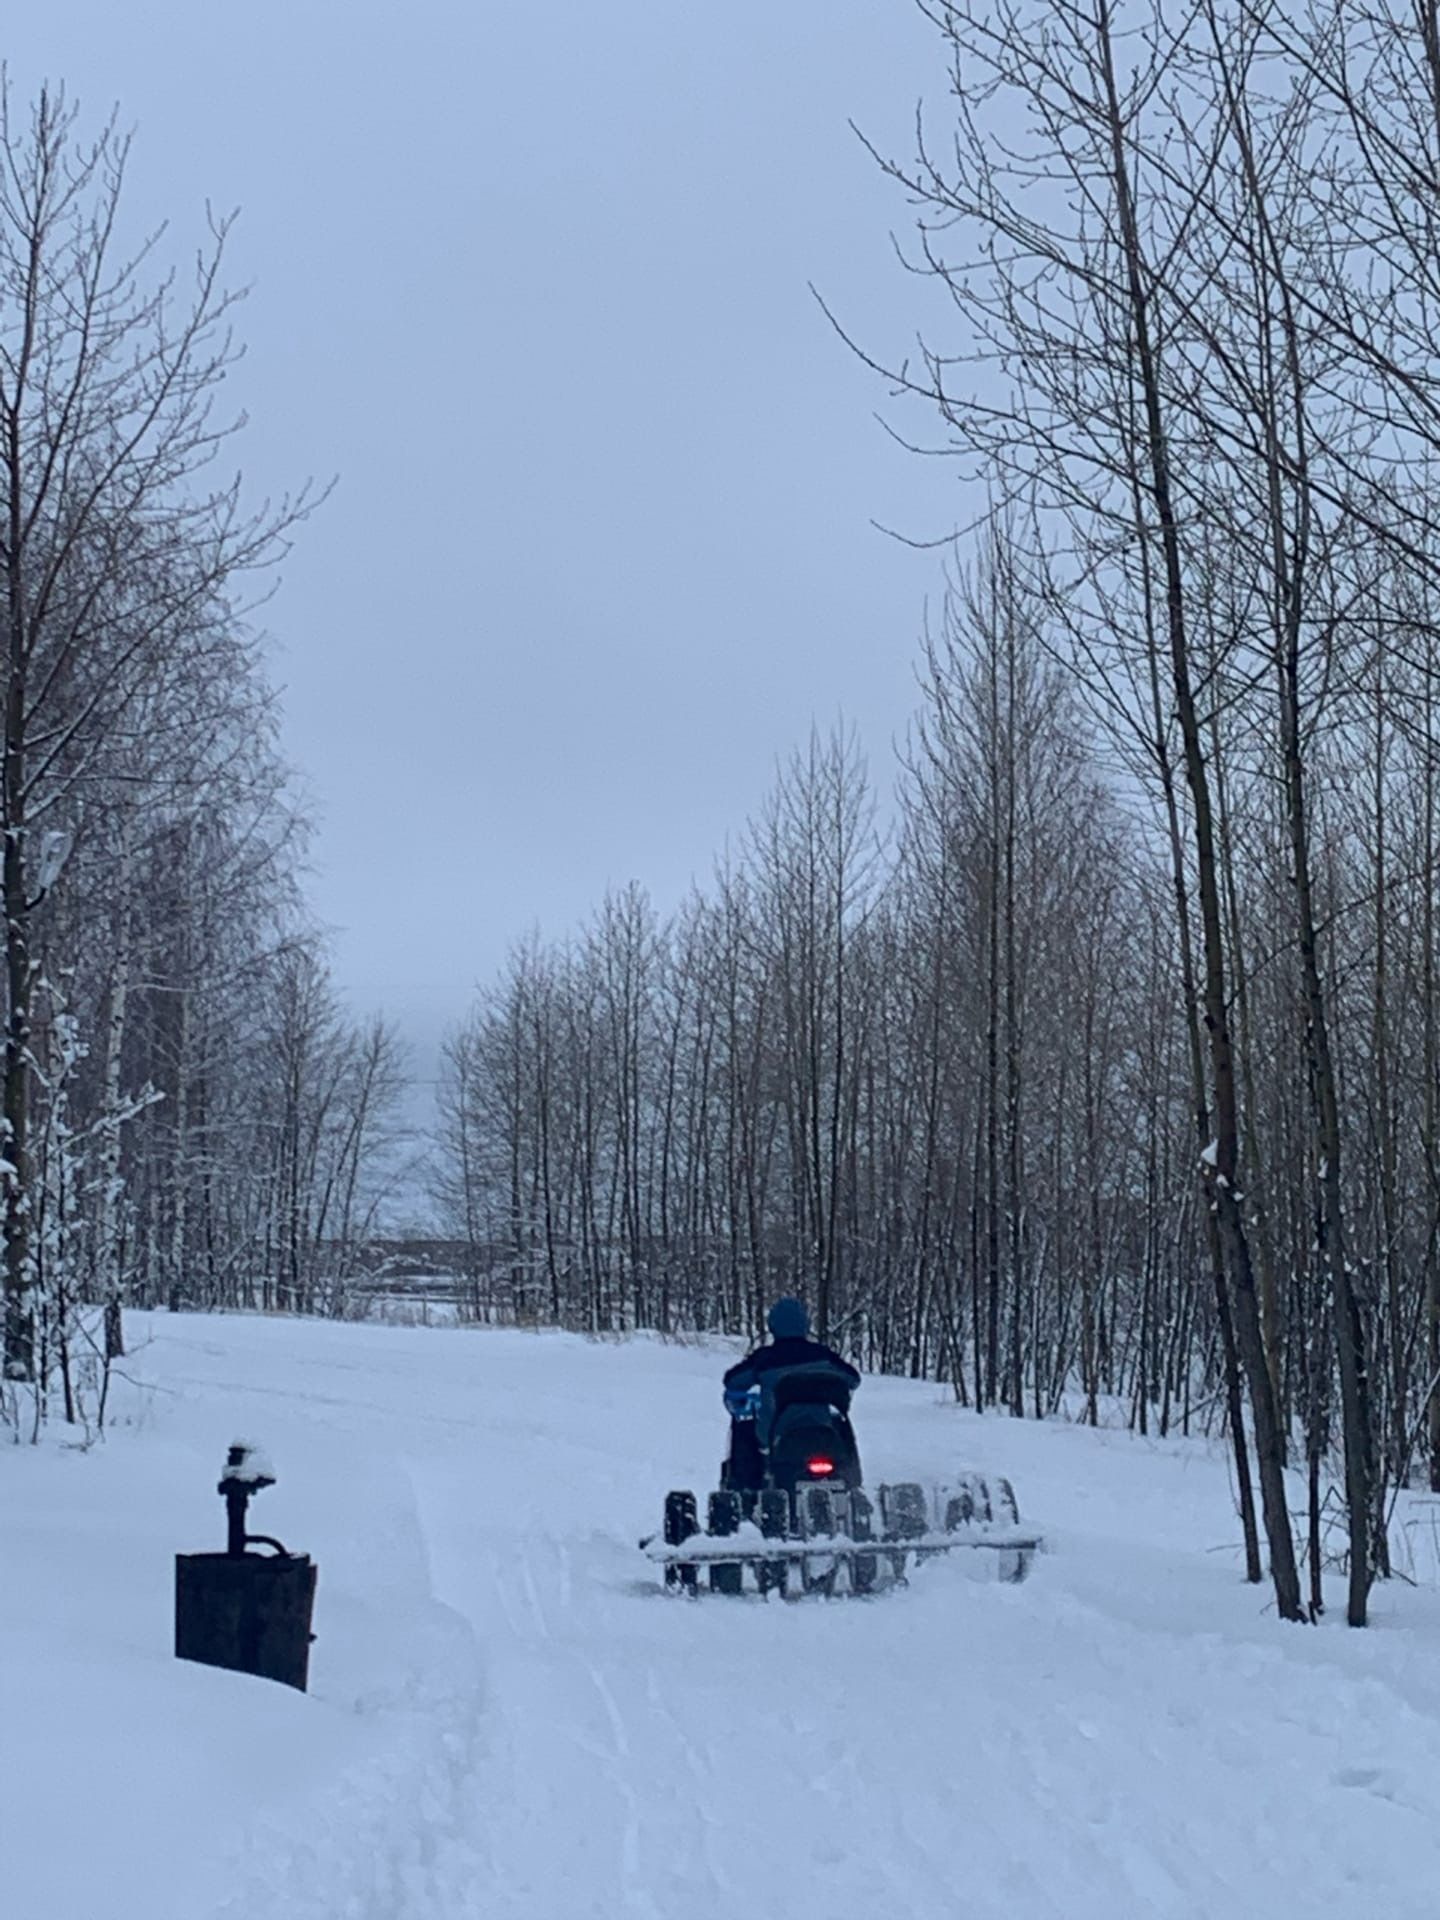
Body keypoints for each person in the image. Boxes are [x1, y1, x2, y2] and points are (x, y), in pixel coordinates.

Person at [721, 1298, 860, 1491]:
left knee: (744, 1428)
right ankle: (852, 1483)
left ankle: (745, 1490)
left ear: (773, 1326)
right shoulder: (823, 1355)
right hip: (822, 1431)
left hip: (777, 1432)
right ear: (805, 1324)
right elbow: (853, 1378)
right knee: (841, 1423)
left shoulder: (765, 1359)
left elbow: (733, 1381)